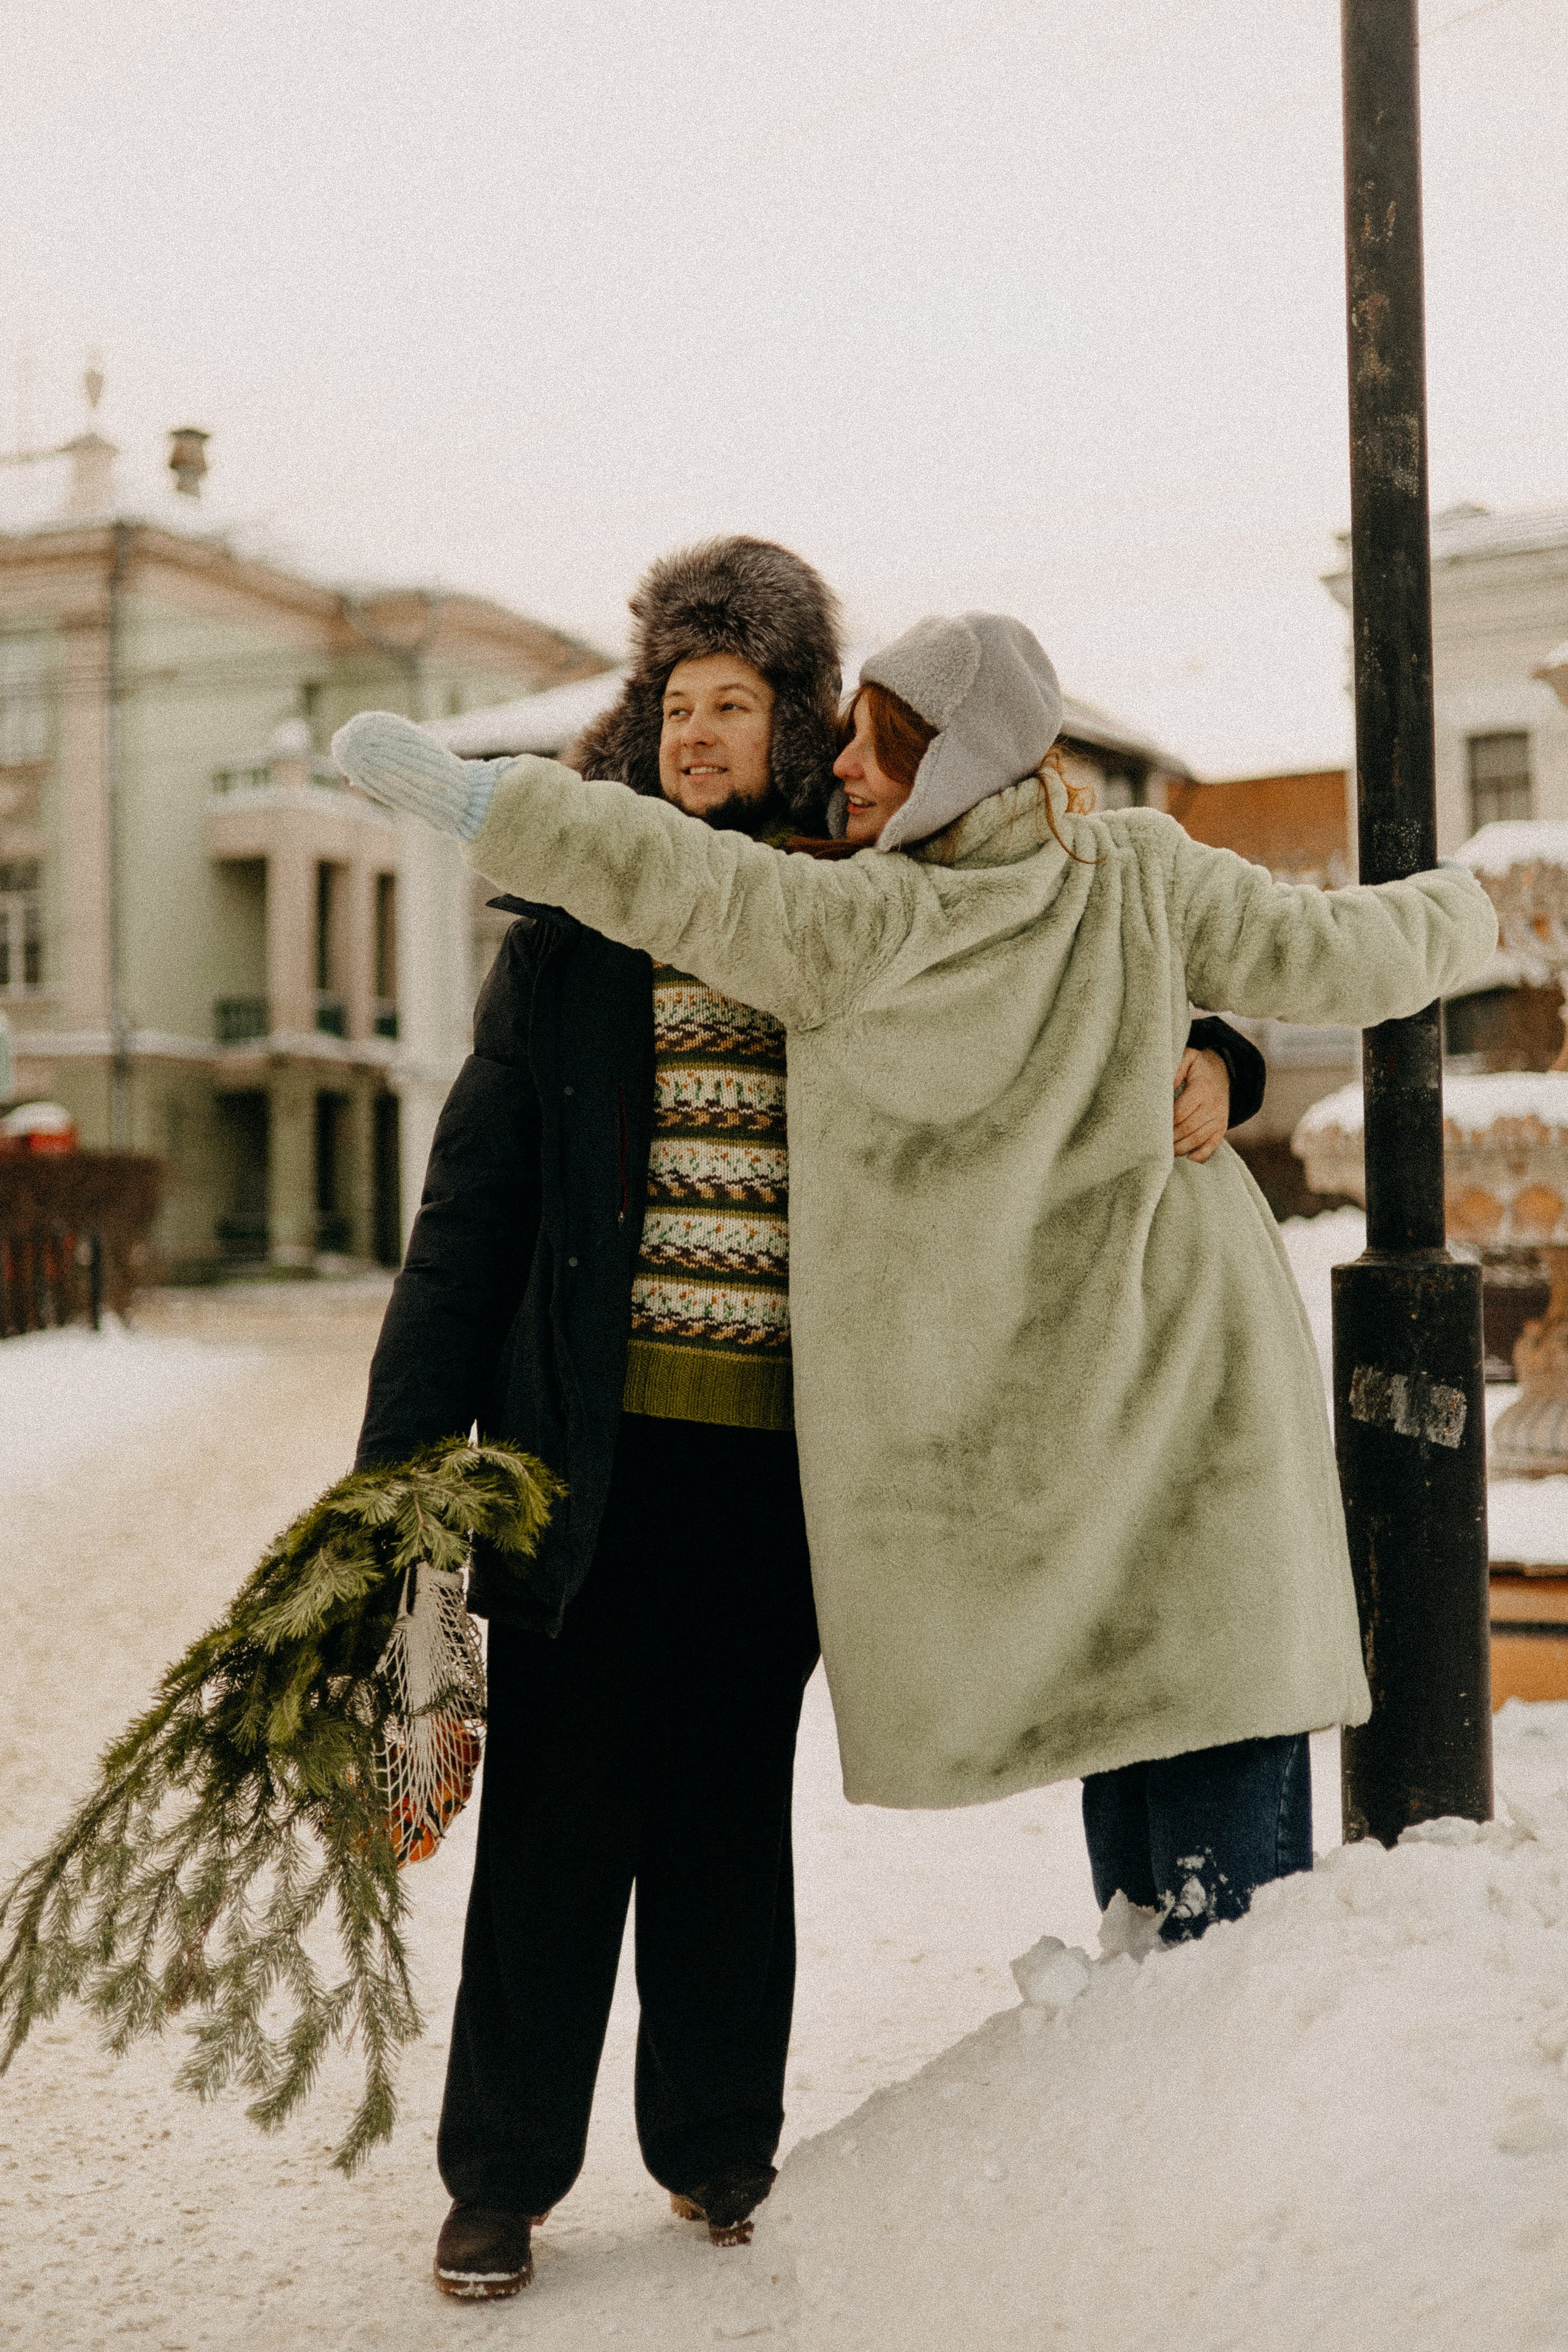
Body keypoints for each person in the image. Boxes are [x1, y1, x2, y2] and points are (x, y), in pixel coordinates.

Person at [344, 561, 1264, 2301]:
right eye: (672, 704)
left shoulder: (878, 912)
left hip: (781, 1474)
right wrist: (406, 1474)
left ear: (794, 722)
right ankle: (503, 2180)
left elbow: (1072, 984)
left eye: (733, 704)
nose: (697, 733)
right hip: (586, 1463)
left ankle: (714, 2153)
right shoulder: (571, 939)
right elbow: (470, 1217)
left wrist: (1222, 1051)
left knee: (720, 1822)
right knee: (557, 1829)